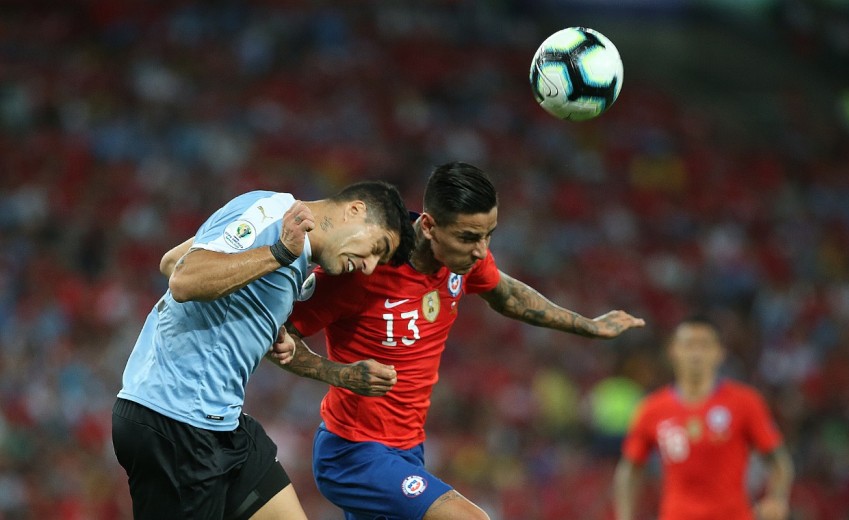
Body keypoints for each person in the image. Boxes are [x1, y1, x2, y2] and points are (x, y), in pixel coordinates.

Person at [266, 162, 647, 520]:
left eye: (488, 236)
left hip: (408, 451)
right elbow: (275, 338)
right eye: (468, 237)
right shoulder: (362, 267)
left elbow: (507, 295)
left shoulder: (464, 259)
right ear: (429, 226)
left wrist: (587, 325)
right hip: (352, 453)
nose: (480, 250)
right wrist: (340, 375)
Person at [113, 180, 415, 520]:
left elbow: (171, 260)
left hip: (221, 423)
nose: (370, 266)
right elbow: (182, 279)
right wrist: (276, 255)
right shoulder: (273, 217)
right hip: (173, 422)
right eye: (377, 247)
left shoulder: (296, 251)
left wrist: (263, 321)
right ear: (355, 210)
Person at [613, 315, 795, 520]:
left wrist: (777, 498)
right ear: (672, 351)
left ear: (719, 353)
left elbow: (779, 461)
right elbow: (630, 469)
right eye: (689, 345)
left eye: (704, 345)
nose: (696, 354)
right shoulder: (652, 409)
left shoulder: (745, 402)